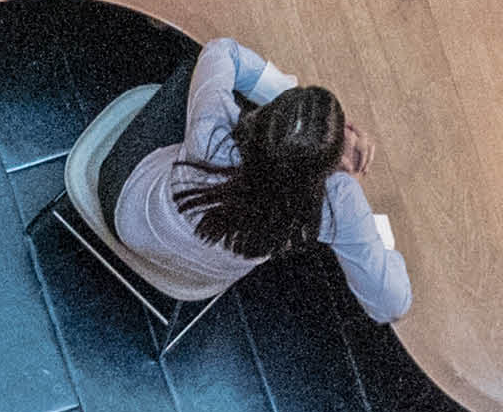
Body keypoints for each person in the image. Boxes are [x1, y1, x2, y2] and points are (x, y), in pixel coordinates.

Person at [97, 36, 409, 321]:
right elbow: (391, 305)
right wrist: (352, 195)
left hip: (126, 212)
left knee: (200, 64)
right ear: (333, 165)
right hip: (196, 279)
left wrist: (290, 113)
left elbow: (221, 51)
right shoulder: (336, 200)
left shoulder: (212, 131)